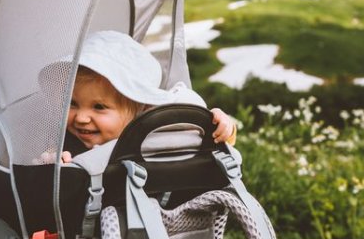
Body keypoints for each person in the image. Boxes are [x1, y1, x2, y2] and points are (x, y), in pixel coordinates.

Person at [60, 30, 236, 162]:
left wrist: (221, 125)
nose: (81, 118)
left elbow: (202, 142)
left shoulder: (154, 137)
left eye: (99, 107)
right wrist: (58, 165)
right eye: (72, 103)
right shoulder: (66, 144)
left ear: (140, 107)